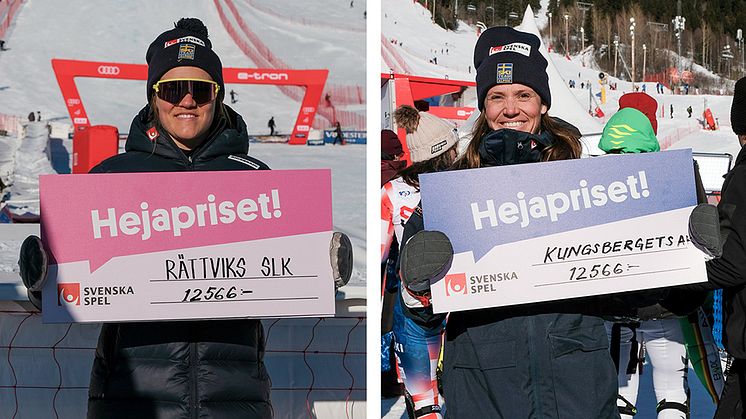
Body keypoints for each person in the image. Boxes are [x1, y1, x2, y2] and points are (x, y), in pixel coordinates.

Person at [17, 18, 352, 419]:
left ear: (219, 96)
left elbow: (293, 278)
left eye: (201, 90)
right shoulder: (112, 179)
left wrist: (324, 266)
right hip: (132, 399)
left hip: (235, 397)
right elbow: (62, 293)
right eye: (173, 89)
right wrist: (42, 275)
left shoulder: (254, 179)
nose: (187, 102)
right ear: (153, 96)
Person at [396, 26, 636, 418]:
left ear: (543, 102)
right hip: (483, 389)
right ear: (484, 106)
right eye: (496, 97)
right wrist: (419, 280)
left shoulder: (585, 181)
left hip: (578, 386)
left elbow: (630, 291)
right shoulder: (450, 190)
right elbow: (421, 311)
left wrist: (686, 261)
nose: (511, 109)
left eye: (524, 94)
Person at [598, 106, 699, 419]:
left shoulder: (593, 181)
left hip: (615, 307)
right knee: (672, 392)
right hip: (665, 307)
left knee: (618, 396)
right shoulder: (674, 172)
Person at [381, 105, 459, 419]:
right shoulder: (467, 187)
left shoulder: (392, 192)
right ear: (449, 151)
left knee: (425, 403)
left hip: (416, 306)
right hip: (463, 308)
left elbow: (378, 254)